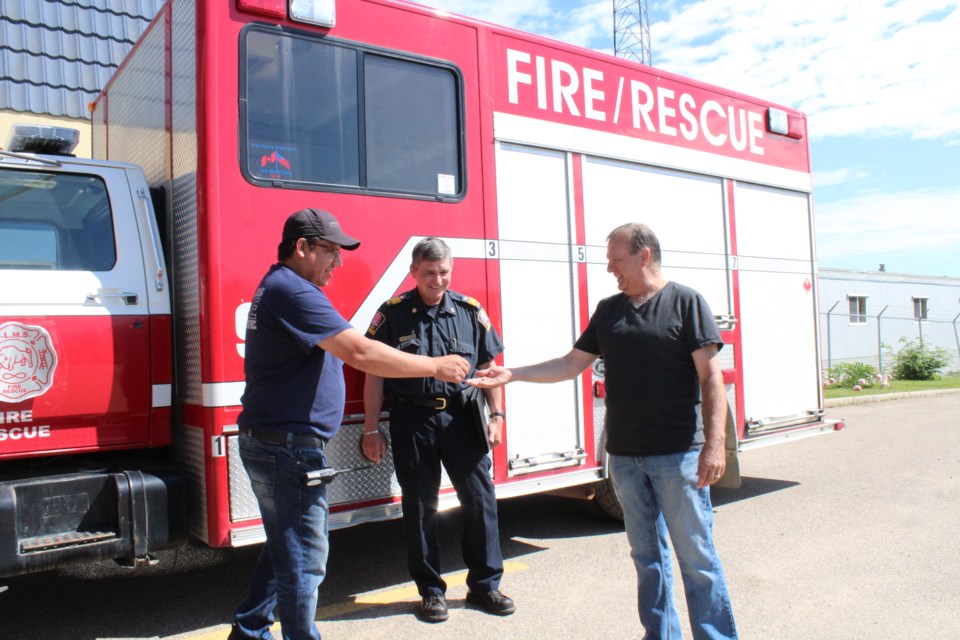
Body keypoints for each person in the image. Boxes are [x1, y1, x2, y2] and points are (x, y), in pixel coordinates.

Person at [469, 223, 738, 639]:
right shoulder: (609, 309)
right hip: (626, 459)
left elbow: (711, 379)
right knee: (647, 558)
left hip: (679, 454)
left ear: (643, 255)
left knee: (696, 558)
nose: (610, 267)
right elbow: (570, 364)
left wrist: (715, 445)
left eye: (616, 259)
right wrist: (512, 374)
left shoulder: (685, 302)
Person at [230, 210, 470, 640]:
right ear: (302, 248)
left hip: (275, 441)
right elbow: (359, 353)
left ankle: (249, 630)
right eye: (330, 252)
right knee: (304, 557)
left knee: (286, 548)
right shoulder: (293, 290)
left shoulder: (281, 287)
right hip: (288, 446)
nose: (337, 263)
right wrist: (434, 363)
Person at [361, 237, 515, 623]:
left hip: (464, 418)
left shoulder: (470, 311)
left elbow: (488, 369)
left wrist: (497, 417)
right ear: (413, 272)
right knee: (420, 507)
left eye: (443, 271)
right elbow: (374, 375)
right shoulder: (392, 314)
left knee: (480, 501)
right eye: (428, 272)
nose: (437, 279)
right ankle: (431, 592)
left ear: (451, 270)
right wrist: (370, 428)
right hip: (413, 420)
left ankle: (485, 586)